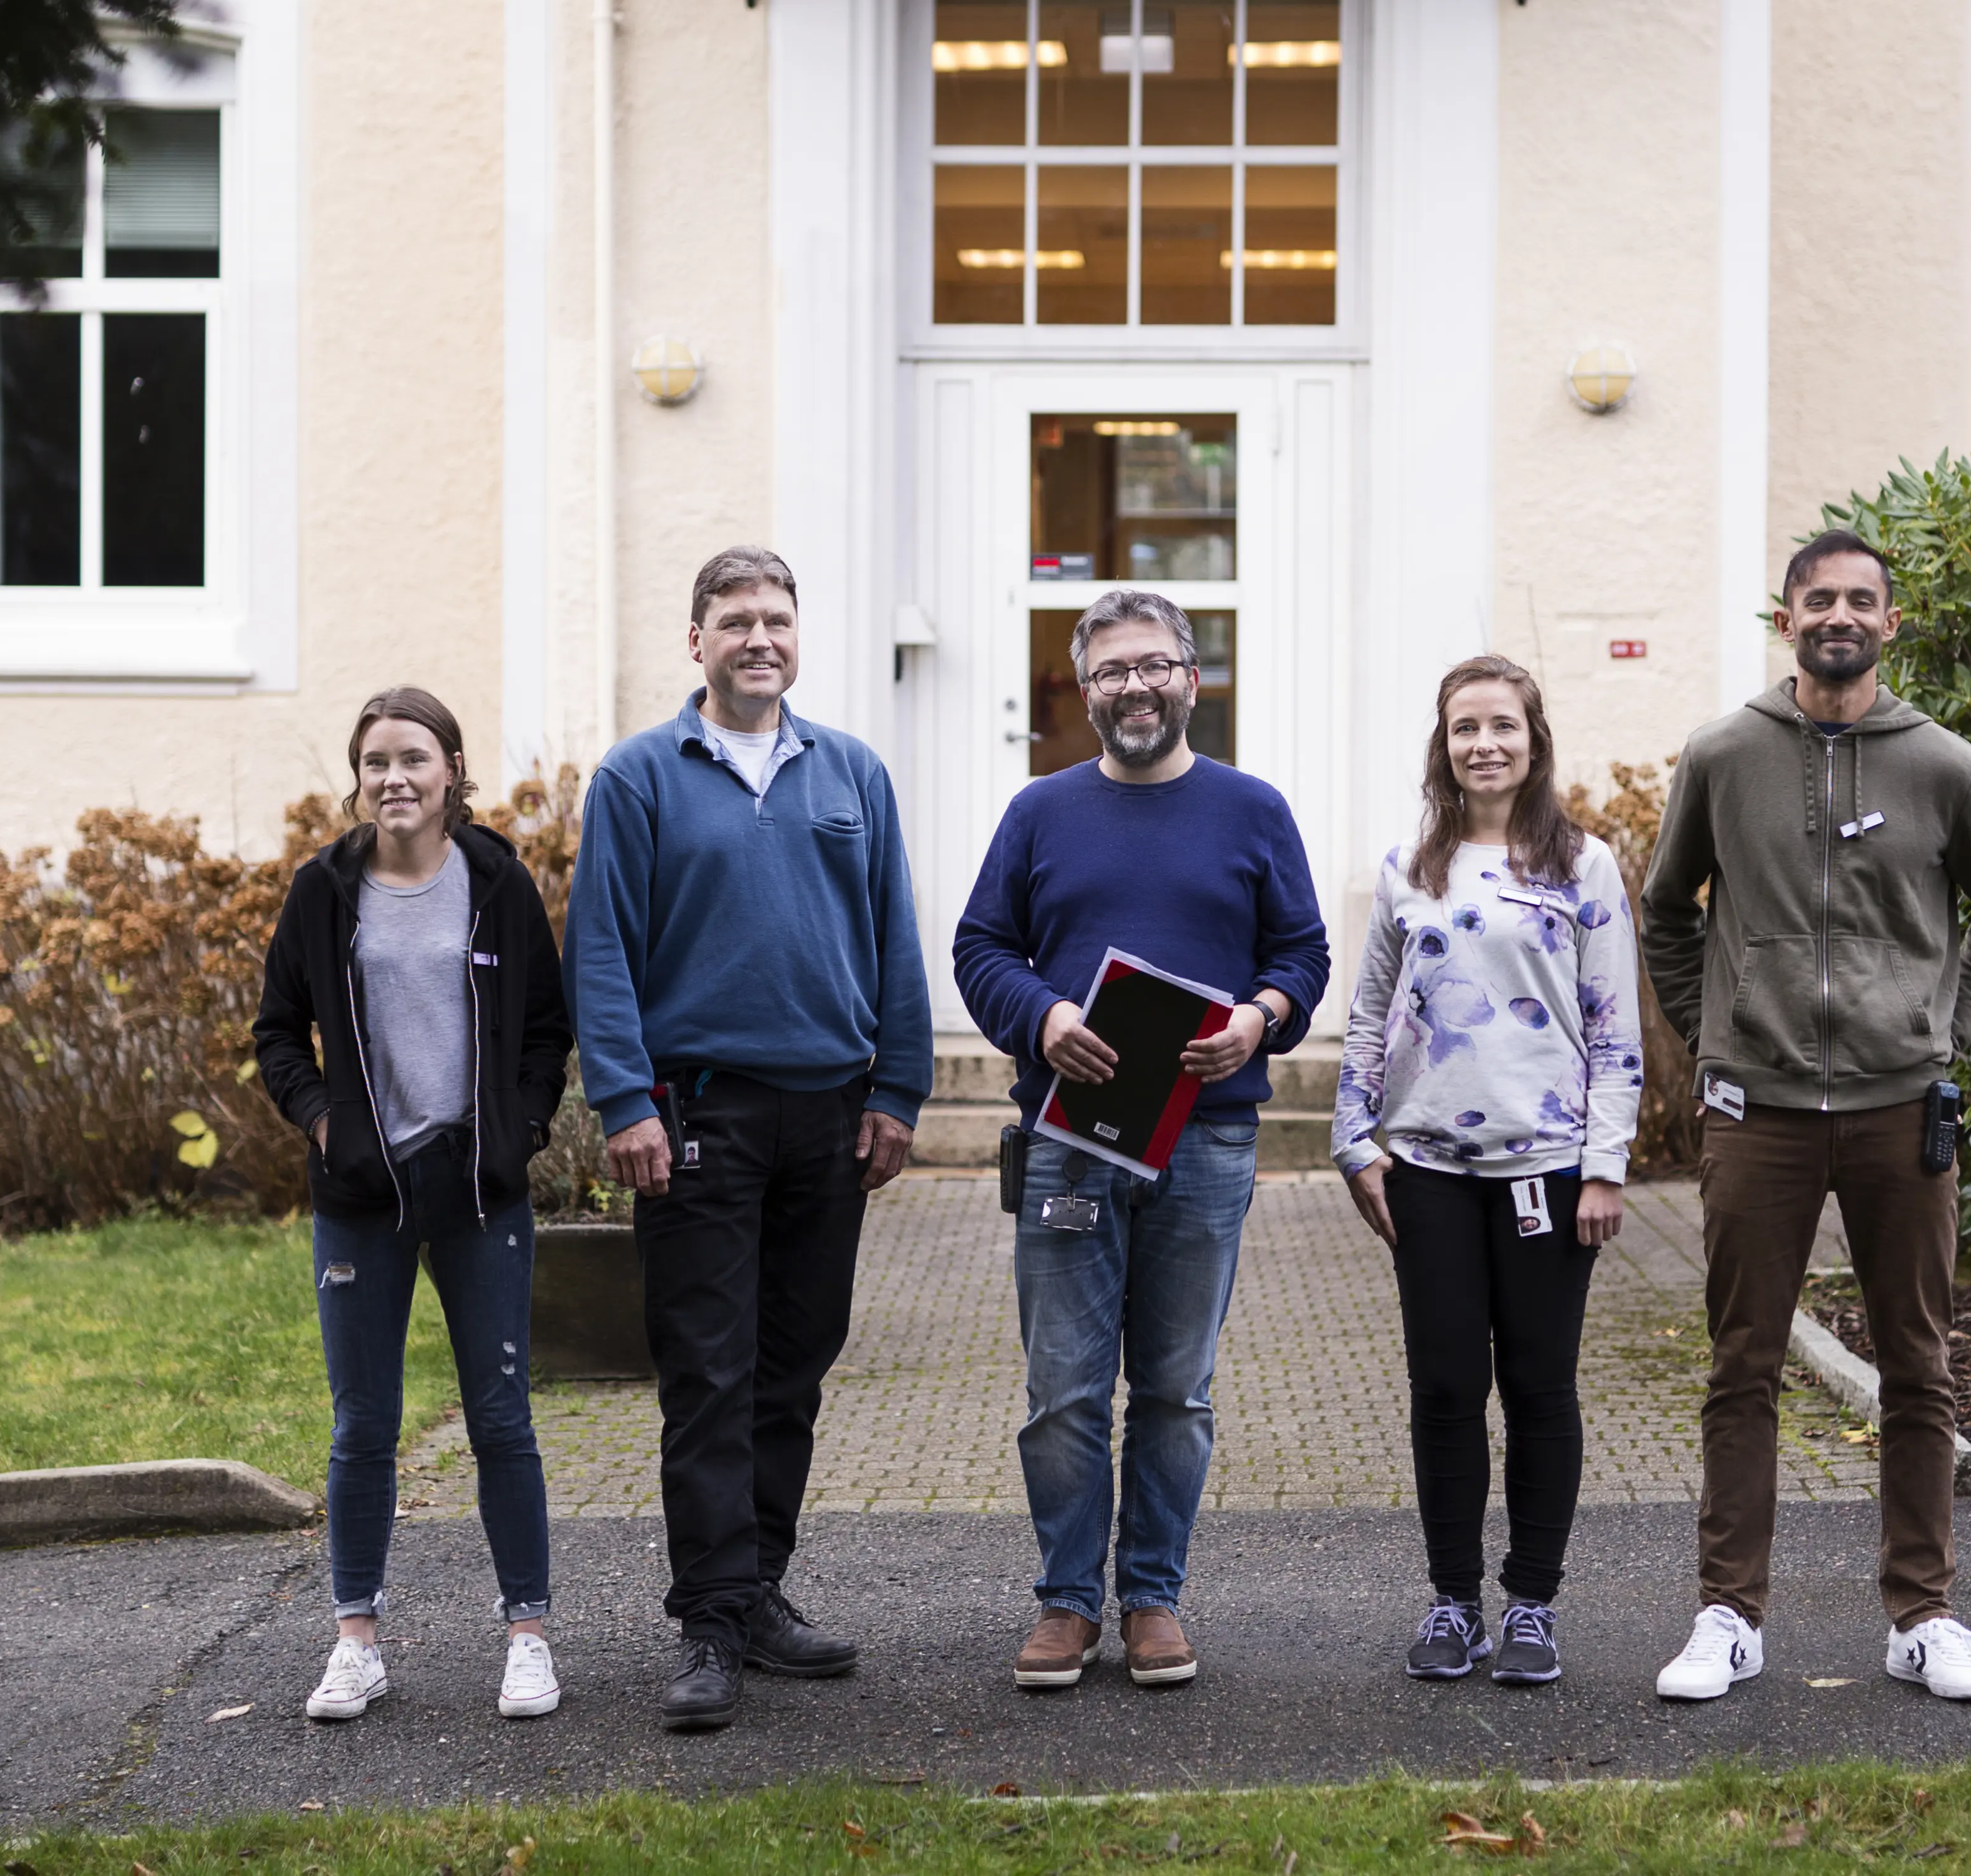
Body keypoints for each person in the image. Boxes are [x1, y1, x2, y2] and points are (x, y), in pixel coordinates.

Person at [1642, 530, 1971, 1706]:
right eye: (1818, 598)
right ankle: (1728, 1615)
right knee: (1740, 1365)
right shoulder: (1721, 754)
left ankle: (1924, 1617)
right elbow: (1666, 912)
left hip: (1898, 1109)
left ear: (1889, 622)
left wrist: (1938, 1030)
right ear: (1786, 618)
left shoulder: (1943, 764)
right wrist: (1720, 1028)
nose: (1838, 616)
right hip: (1754, 1109)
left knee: (1919, 1367)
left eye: (1860, 600)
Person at [564, 546, 936, 1733]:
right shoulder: (638, 778)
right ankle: (711, 1621)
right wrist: (624, 1102)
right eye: (735, 621)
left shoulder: (853, 773)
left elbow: (893, 939)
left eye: (776, 618)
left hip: (830, 1114)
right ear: (697, 641)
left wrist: (901, 1091)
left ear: (797, 634)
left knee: (794, 1362)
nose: (758, 638)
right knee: (708, 1373)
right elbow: (603, 951)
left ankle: (760, 1586)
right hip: (698, 1116)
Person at [952, 588, 1333, 1692]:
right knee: (1063, 1389)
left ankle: (1153, 1595)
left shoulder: (1252, 810)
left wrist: (1260, 1016)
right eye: (1112, 669)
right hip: (1072, 1138)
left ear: (1191, 678)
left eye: (1154, 664)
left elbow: (1302, 953)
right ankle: (1068, 1601)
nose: (1135, 685)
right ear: (1086, 689)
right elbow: (983, 947)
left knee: (1176, 1388)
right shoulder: (1038, 812)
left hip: (1207, 1139)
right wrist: (1043, 1017)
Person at [253, 687, 577, 1726]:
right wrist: (324, 1126)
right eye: (376, 760)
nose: (394, 777)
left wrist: (518, 1130)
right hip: (362, 1190)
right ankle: (356, 1641)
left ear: (452, 773)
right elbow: (276, 1032)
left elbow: (543, 1028)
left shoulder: (496, 882)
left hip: (476, 1188)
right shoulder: (323, 889)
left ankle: (527, 1635)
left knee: (501, 1417)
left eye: (414, 758)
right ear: (359, 778)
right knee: (363, 1424)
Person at [1333, 656, 1643, 1687]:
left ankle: (1532, 1606)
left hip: (1550, 1174)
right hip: (1426, 1171)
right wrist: (1354, 1141)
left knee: (1542, 1390)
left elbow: (1612, 1027)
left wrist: (1605, 1165)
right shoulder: (1407, 871)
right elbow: (1370, 1014)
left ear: (1532, 737)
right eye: (1465, 727)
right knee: (1447, 1389)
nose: (1484, 744)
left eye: (1502, 725)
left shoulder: (1582, 867)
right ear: (1443, 744)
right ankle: (1453, 1601)